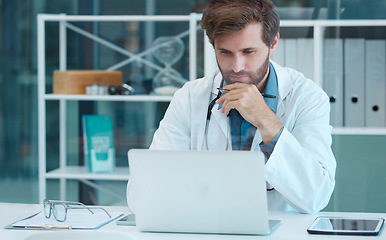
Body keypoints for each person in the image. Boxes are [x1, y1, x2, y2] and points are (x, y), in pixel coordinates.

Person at [131, 0, 336, 214]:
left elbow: (316, 197)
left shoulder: (306, 97)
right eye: (225, 52)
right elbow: (143, 194)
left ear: (273, 43)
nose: (237, 67)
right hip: (208, 228)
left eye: (248, 52)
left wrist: (267, 121)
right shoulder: (190, 97)